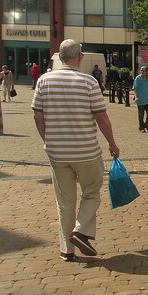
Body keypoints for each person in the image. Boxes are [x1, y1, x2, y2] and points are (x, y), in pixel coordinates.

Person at [32, 39, 119, 262]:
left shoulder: (44, 81)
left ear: (60, 57)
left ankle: (67, 250)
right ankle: (80, 231)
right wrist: (112, 143)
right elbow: (101, 116)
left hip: (57, 153)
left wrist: (47, 140)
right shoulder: (88, 82)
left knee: (65, 202)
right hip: (86, 150)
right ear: (79, 56)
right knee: (91, 192)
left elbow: (37, 115)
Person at [132, 68, 148, 132]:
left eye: (143, 71)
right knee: (141, 114)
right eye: (141, 70)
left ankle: (147, 125)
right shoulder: (137, 78)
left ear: (146, 71)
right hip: (140, 99)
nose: (142, 72)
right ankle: (141, 128)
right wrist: (136, 97)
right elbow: (135, 88)